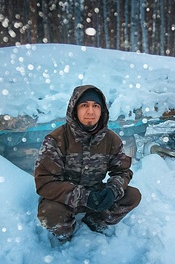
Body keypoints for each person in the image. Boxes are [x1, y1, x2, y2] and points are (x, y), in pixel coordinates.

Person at [34, 84, 141, 244]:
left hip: (97, 194)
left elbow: (123, 171)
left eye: (96, 106)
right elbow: (45, 182)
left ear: (102, 110)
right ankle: (65, 235)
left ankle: (96, 222)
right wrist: (83, 197)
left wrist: (113, 190)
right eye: (84, 105)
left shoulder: (112, 139)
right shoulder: (56, 140)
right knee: (49, 213)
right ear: (74, 109)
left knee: (132, 196)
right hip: (64, 198)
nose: (90, 111)